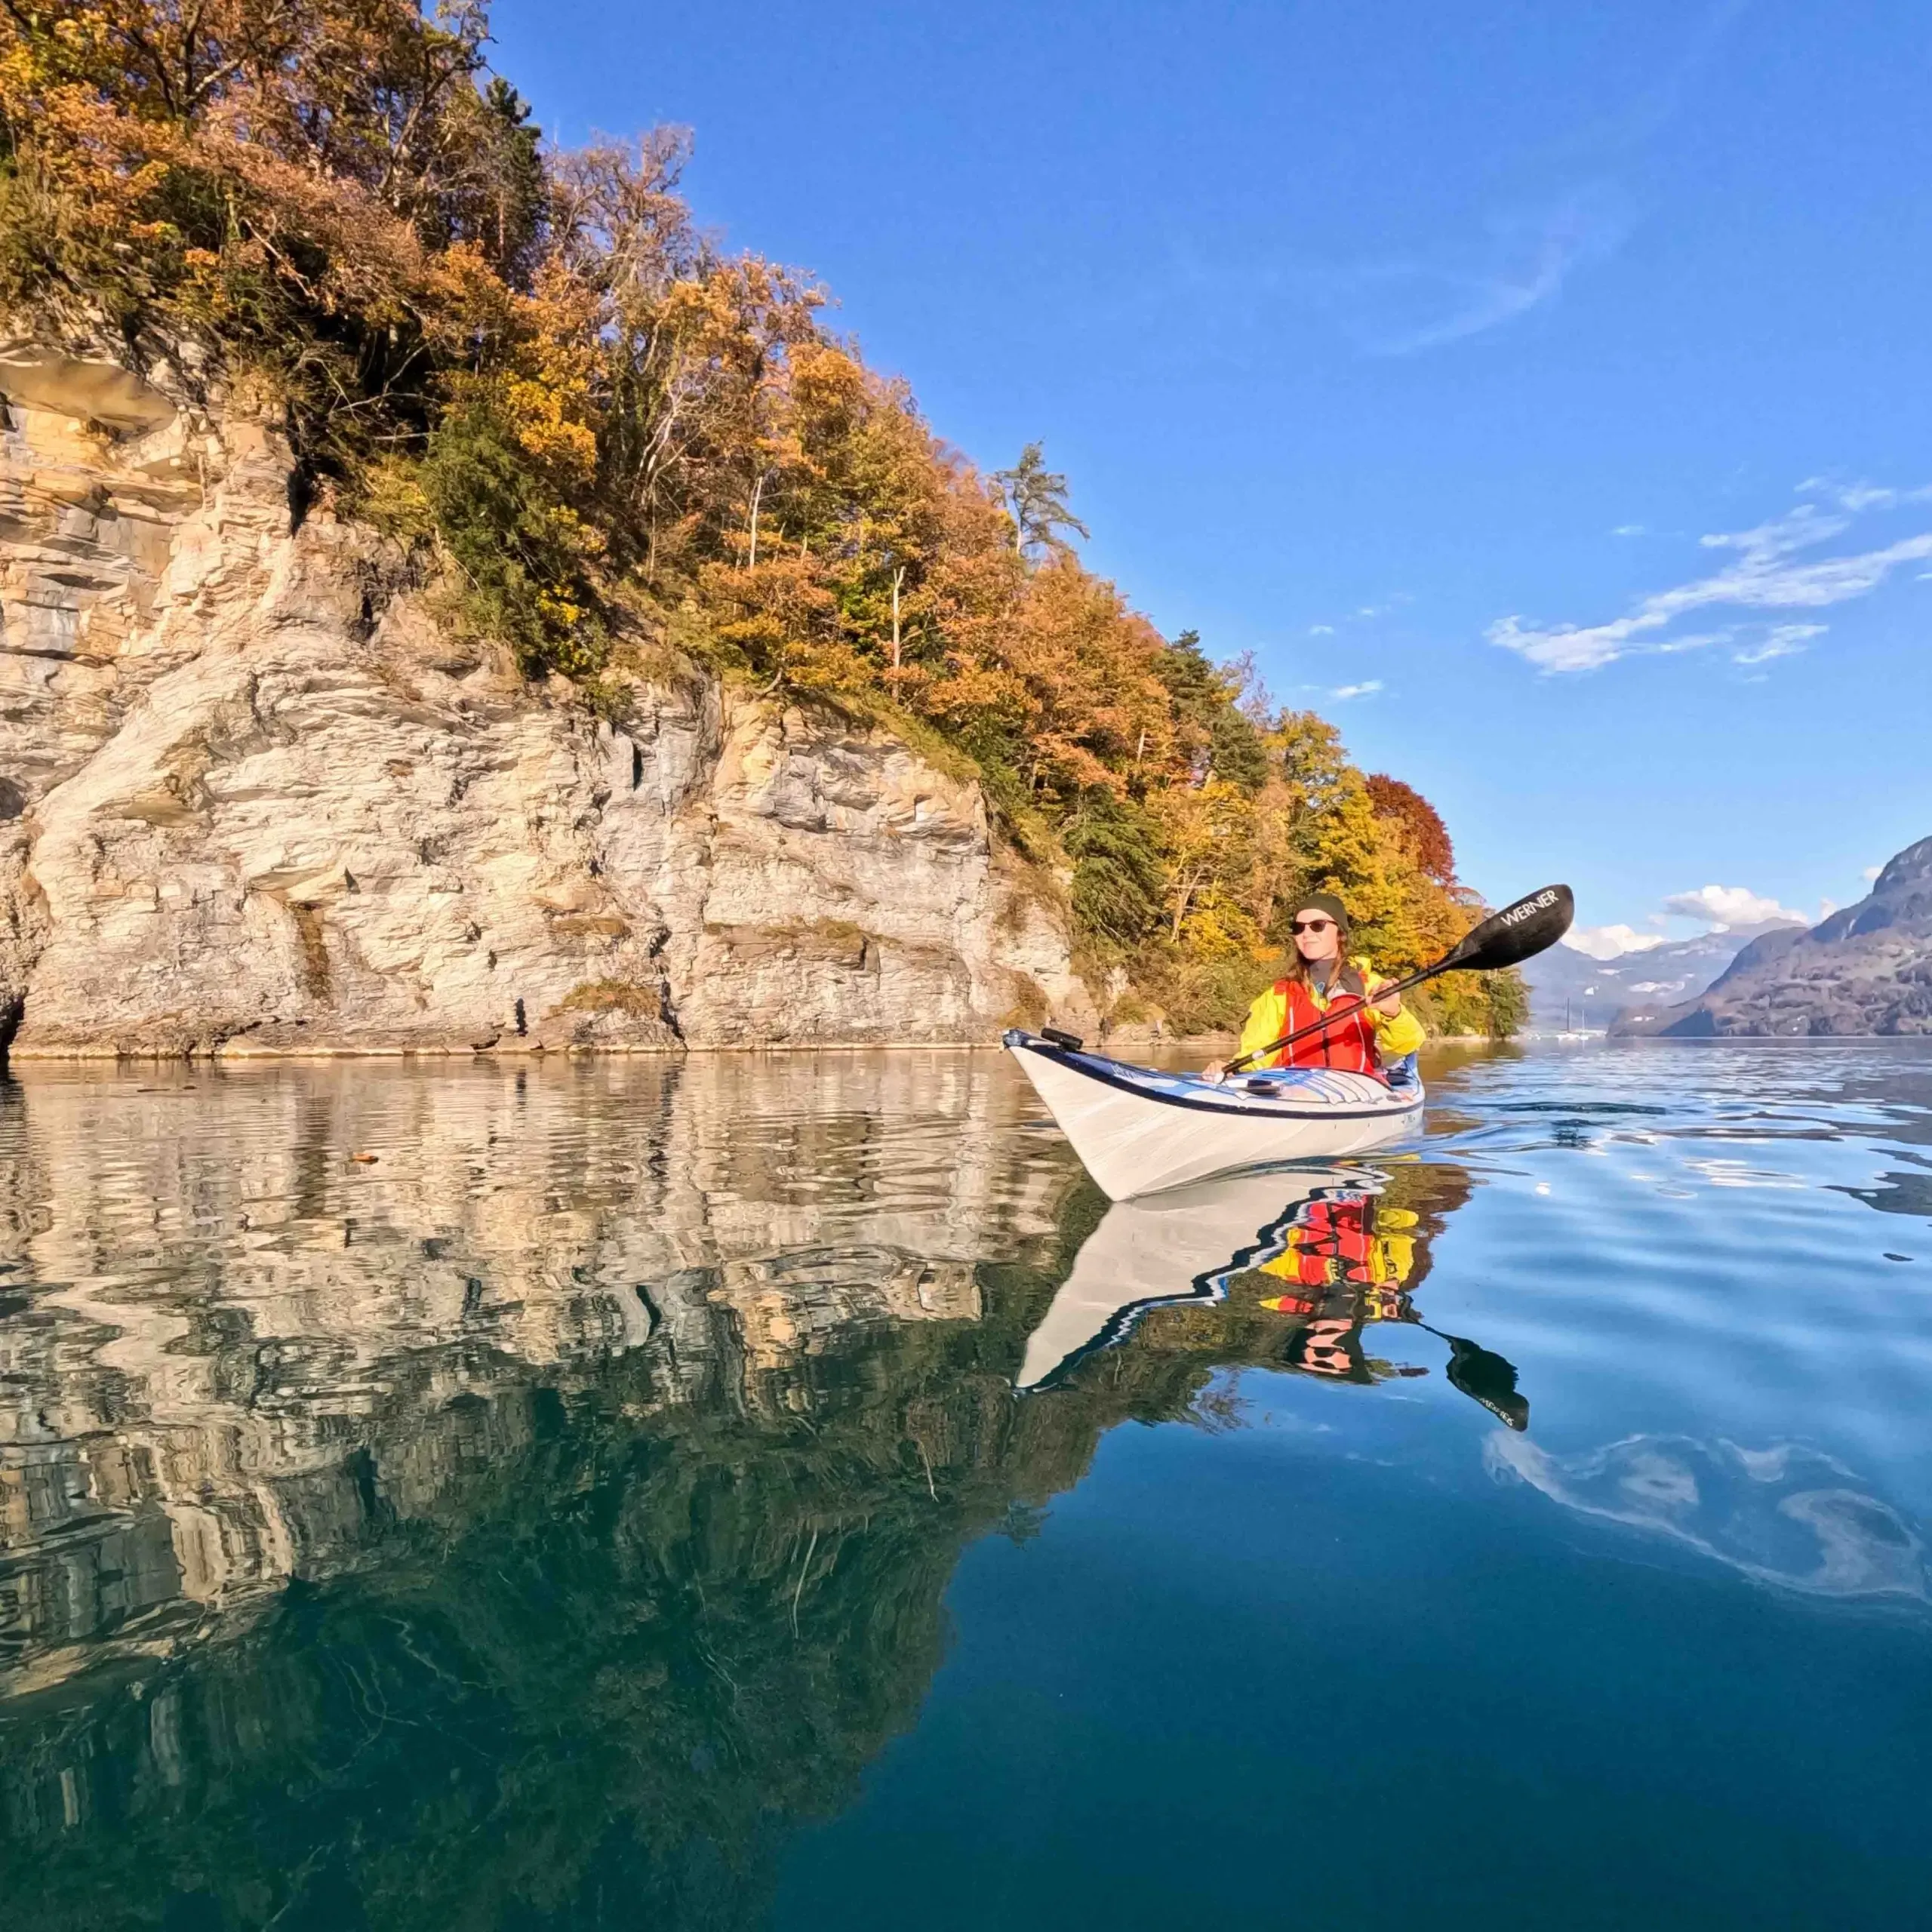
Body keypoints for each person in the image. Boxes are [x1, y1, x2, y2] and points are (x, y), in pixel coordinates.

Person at [1202, 892, 1426, 1084]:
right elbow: (1256, 1055)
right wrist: (1231, 1067)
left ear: (1340, 934)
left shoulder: (1370, 986)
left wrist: (1393, 1014)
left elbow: (1409, 1043)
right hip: (1294, 1092)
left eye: (1317, 926)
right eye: (1298, 928)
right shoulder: (1277, 996)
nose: (1306, 934)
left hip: (1358, 1092)